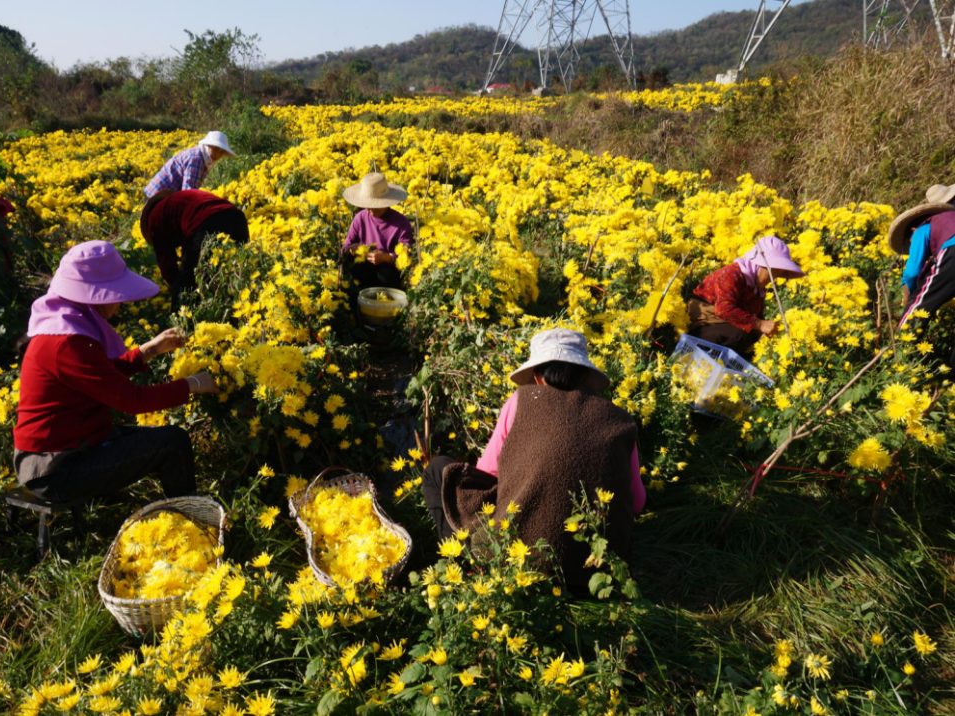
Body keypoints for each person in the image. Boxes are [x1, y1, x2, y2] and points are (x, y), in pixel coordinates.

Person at [421, 328, 645, 587]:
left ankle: (467, 567)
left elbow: (486, 474)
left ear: (538, 376)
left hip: (518, 565)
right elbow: (637, 502)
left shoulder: (521, 401)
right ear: (585, 375)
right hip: (598, 574)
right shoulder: (622, 421)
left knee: (438, 469)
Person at [14, 240, 219, 504]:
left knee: (164, 440)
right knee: (172, 443)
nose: (119, 304)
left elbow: (99, 375)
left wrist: (147, 351)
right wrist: (193, 383)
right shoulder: (65, 343)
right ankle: (189, 518)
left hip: (72, 446)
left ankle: (182, 511)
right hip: (53, 470)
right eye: (115, 296)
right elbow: (132, 400)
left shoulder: (64, 325)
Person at [687, 235, 805, 356]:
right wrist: (760, 324)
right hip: (701, 327)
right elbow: (723, 310)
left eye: (777, 275)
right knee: (740, 335)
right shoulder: (731, 274)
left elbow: (757, 317)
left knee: (753, 341)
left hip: (721, 328)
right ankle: (701, 362)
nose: (772, 279)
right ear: (758, 264)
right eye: (772, 272)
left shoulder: (756, 288)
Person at [140, 189, 249, 298]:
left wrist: (174, 285)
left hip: (208, 222)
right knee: (239, 271)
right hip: (237, 217)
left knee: (186, 284)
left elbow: (165, 258)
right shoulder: (177, 203)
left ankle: (181, 313)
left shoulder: (154, 218)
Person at [889, 187, 955, 346]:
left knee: (920, 303)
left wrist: (909, 294)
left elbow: (912, 273)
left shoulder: (923, 229)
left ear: (912, 230)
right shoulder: (949, 218)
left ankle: (899, 353)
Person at [341, 172, 413, 301]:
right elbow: (346, 247)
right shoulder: (360, 218)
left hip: (389, 274)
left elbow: (407, 253)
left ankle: (388, 316)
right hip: (364, 272)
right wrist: (352, 249)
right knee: (358, 271)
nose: (370, 209)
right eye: (367, 205)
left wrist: (387, 257)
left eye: (375, 205)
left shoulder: (401, 223)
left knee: (385, 275)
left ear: (387, 202)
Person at [144, 131, 235, 198]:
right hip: (158, 194)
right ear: (207, 145)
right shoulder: (197, 159)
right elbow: (188, 191)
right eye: (214, 149)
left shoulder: (204, 158)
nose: (217, 154)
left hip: (165, 194)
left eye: (221, 152)